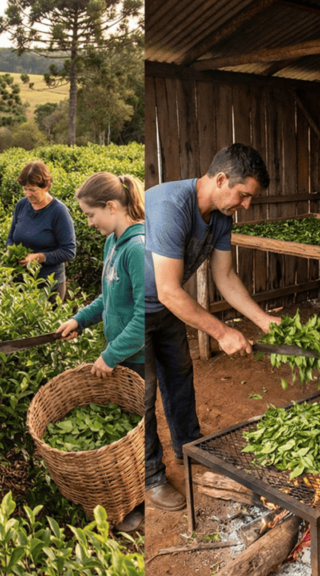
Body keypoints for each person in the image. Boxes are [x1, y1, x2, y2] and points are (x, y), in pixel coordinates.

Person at [144, 143, 280, 511]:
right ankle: (151, 476)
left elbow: (225, 276)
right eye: (244, 195)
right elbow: (169, 290)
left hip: (166, 309)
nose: (247, 205)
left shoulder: (221, 217)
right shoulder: (173, 205)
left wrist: (262, 319)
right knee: (143, 393)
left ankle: (189, 449)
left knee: (179, 377)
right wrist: (222, 332)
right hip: (134, 309)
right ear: (221, 180)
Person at [56, 172, 147, 533]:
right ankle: (123, 499)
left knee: (140, 433)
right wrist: (79, 320)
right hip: (122, 354)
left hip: (139, 357)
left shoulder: (138, 250)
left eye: (91, 215)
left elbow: (143, 318)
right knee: (124, 432)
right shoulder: (113, 242)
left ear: (112, 206)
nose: (89, 223)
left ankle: (139, 503)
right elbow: (108, 297)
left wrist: (110, 356)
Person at [6, 161, 76, 301]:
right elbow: (11, 238)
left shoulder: (58, 211)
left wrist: (38, 257)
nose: (28, 194)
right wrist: (10, 251)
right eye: (25, 189)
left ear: (47, 186)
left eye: (32, 190)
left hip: (49, 285)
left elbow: (69, 251)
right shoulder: (22, 205)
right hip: (21, 281)